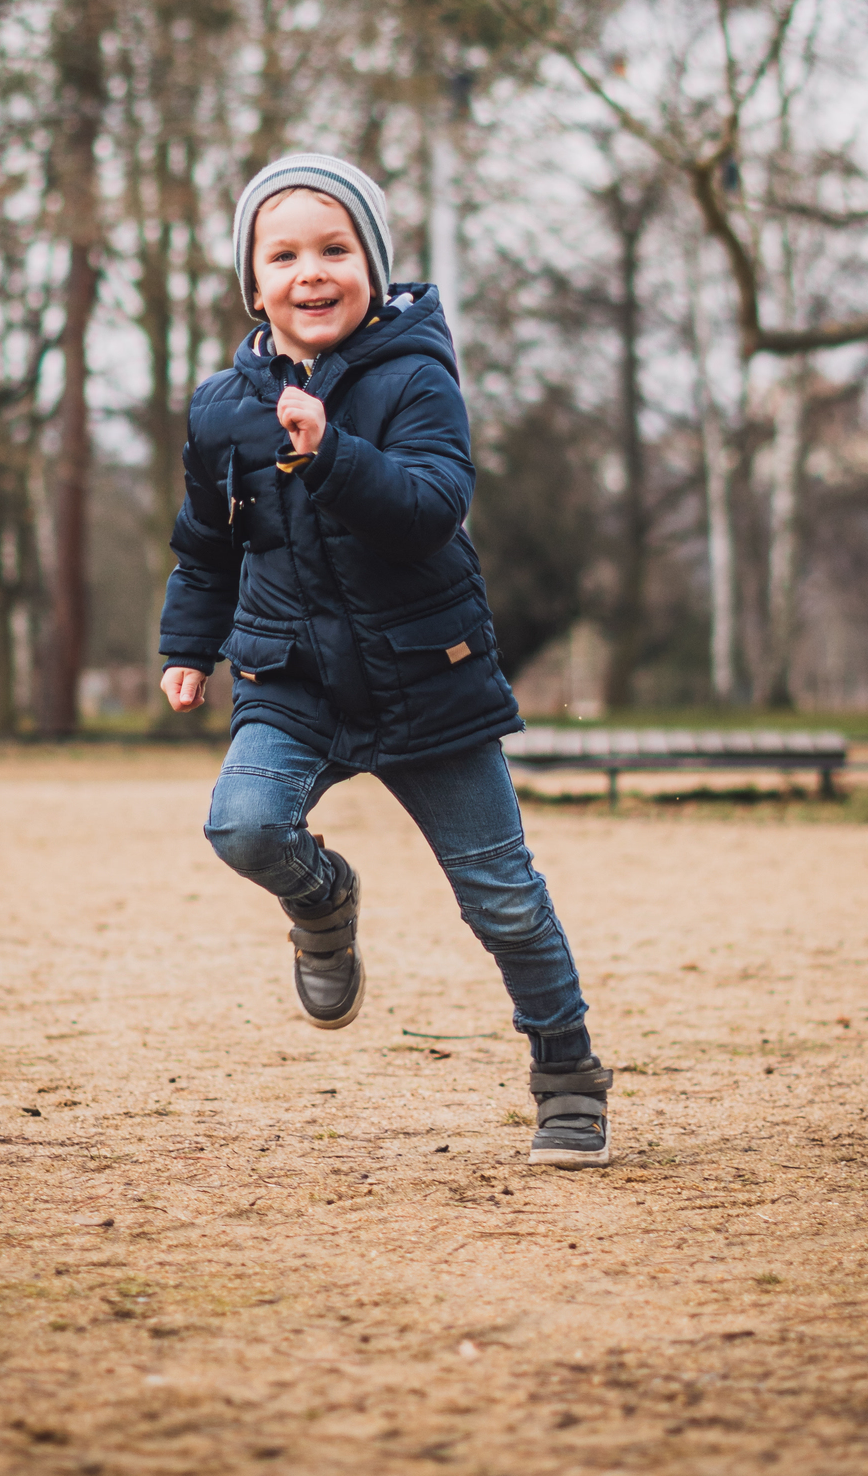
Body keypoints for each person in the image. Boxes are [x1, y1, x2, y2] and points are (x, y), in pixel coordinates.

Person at [159, 152, 610, 1169]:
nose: (310, 272)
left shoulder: (416, 376)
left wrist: (332, 454)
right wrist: (189, 644)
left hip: (427, 676)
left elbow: (429, 511)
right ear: (253, 280)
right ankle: (324, 903)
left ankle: (568, 1076)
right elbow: (207, 542)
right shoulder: (220, 407)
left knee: (502, 897)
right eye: (284, 254)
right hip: (293, 682)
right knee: (241, 823)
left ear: (374, 265)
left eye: (335, 249)